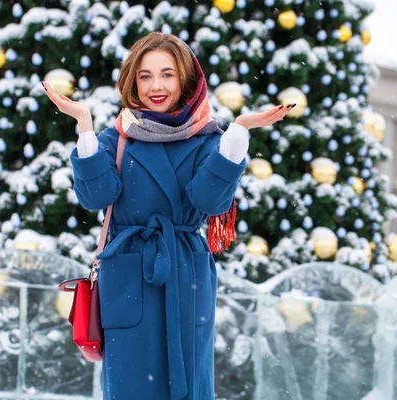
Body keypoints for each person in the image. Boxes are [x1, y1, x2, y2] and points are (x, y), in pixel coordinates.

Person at [44, 32, 295, 400]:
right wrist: (84, 124)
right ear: (133, 80)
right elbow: (96, 197)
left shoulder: (209, 138)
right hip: (128, 272)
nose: (155, 86)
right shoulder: (120, 137)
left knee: (188, 378)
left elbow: (210, 202)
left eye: (167, 74)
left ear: (185, 80)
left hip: (184, 269)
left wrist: (239, 131)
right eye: (145, 76)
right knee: (131, 383)